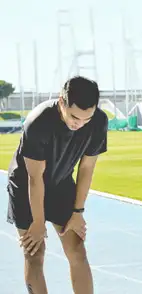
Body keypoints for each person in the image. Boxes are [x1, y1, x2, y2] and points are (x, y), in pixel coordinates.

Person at [6, 76, 108, 294]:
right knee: (35, 253)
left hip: (61, 183)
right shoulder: (39, 122)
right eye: (74, 117)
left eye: (85, 119)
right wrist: (38, 222)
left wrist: (78, 211)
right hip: (26, 186)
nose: (78, 124)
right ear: (62, 101)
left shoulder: (98, 122)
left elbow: (87, 168)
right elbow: (35, 178)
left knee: (77, 249)